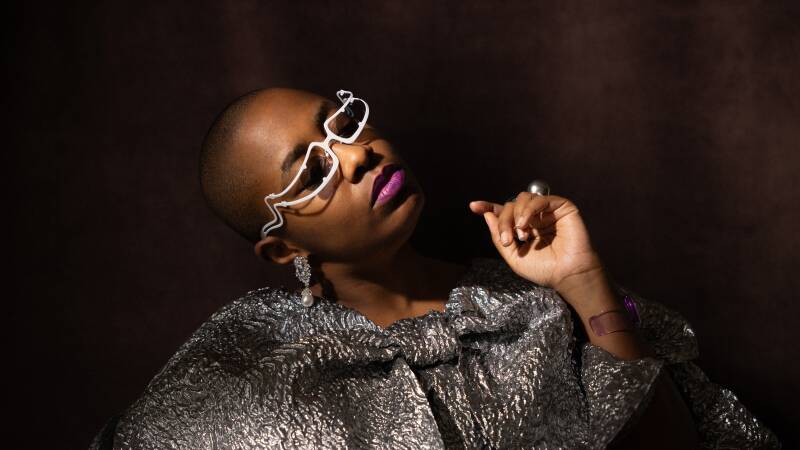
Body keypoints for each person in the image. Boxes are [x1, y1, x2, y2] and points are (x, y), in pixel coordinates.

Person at [90, 88, 780, 449]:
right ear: (282, 248)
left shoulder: (534, 306)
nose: (356, 156)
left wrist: (583, 284)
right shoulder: (242, 373)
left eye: (344, 126)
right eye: (311, 170)